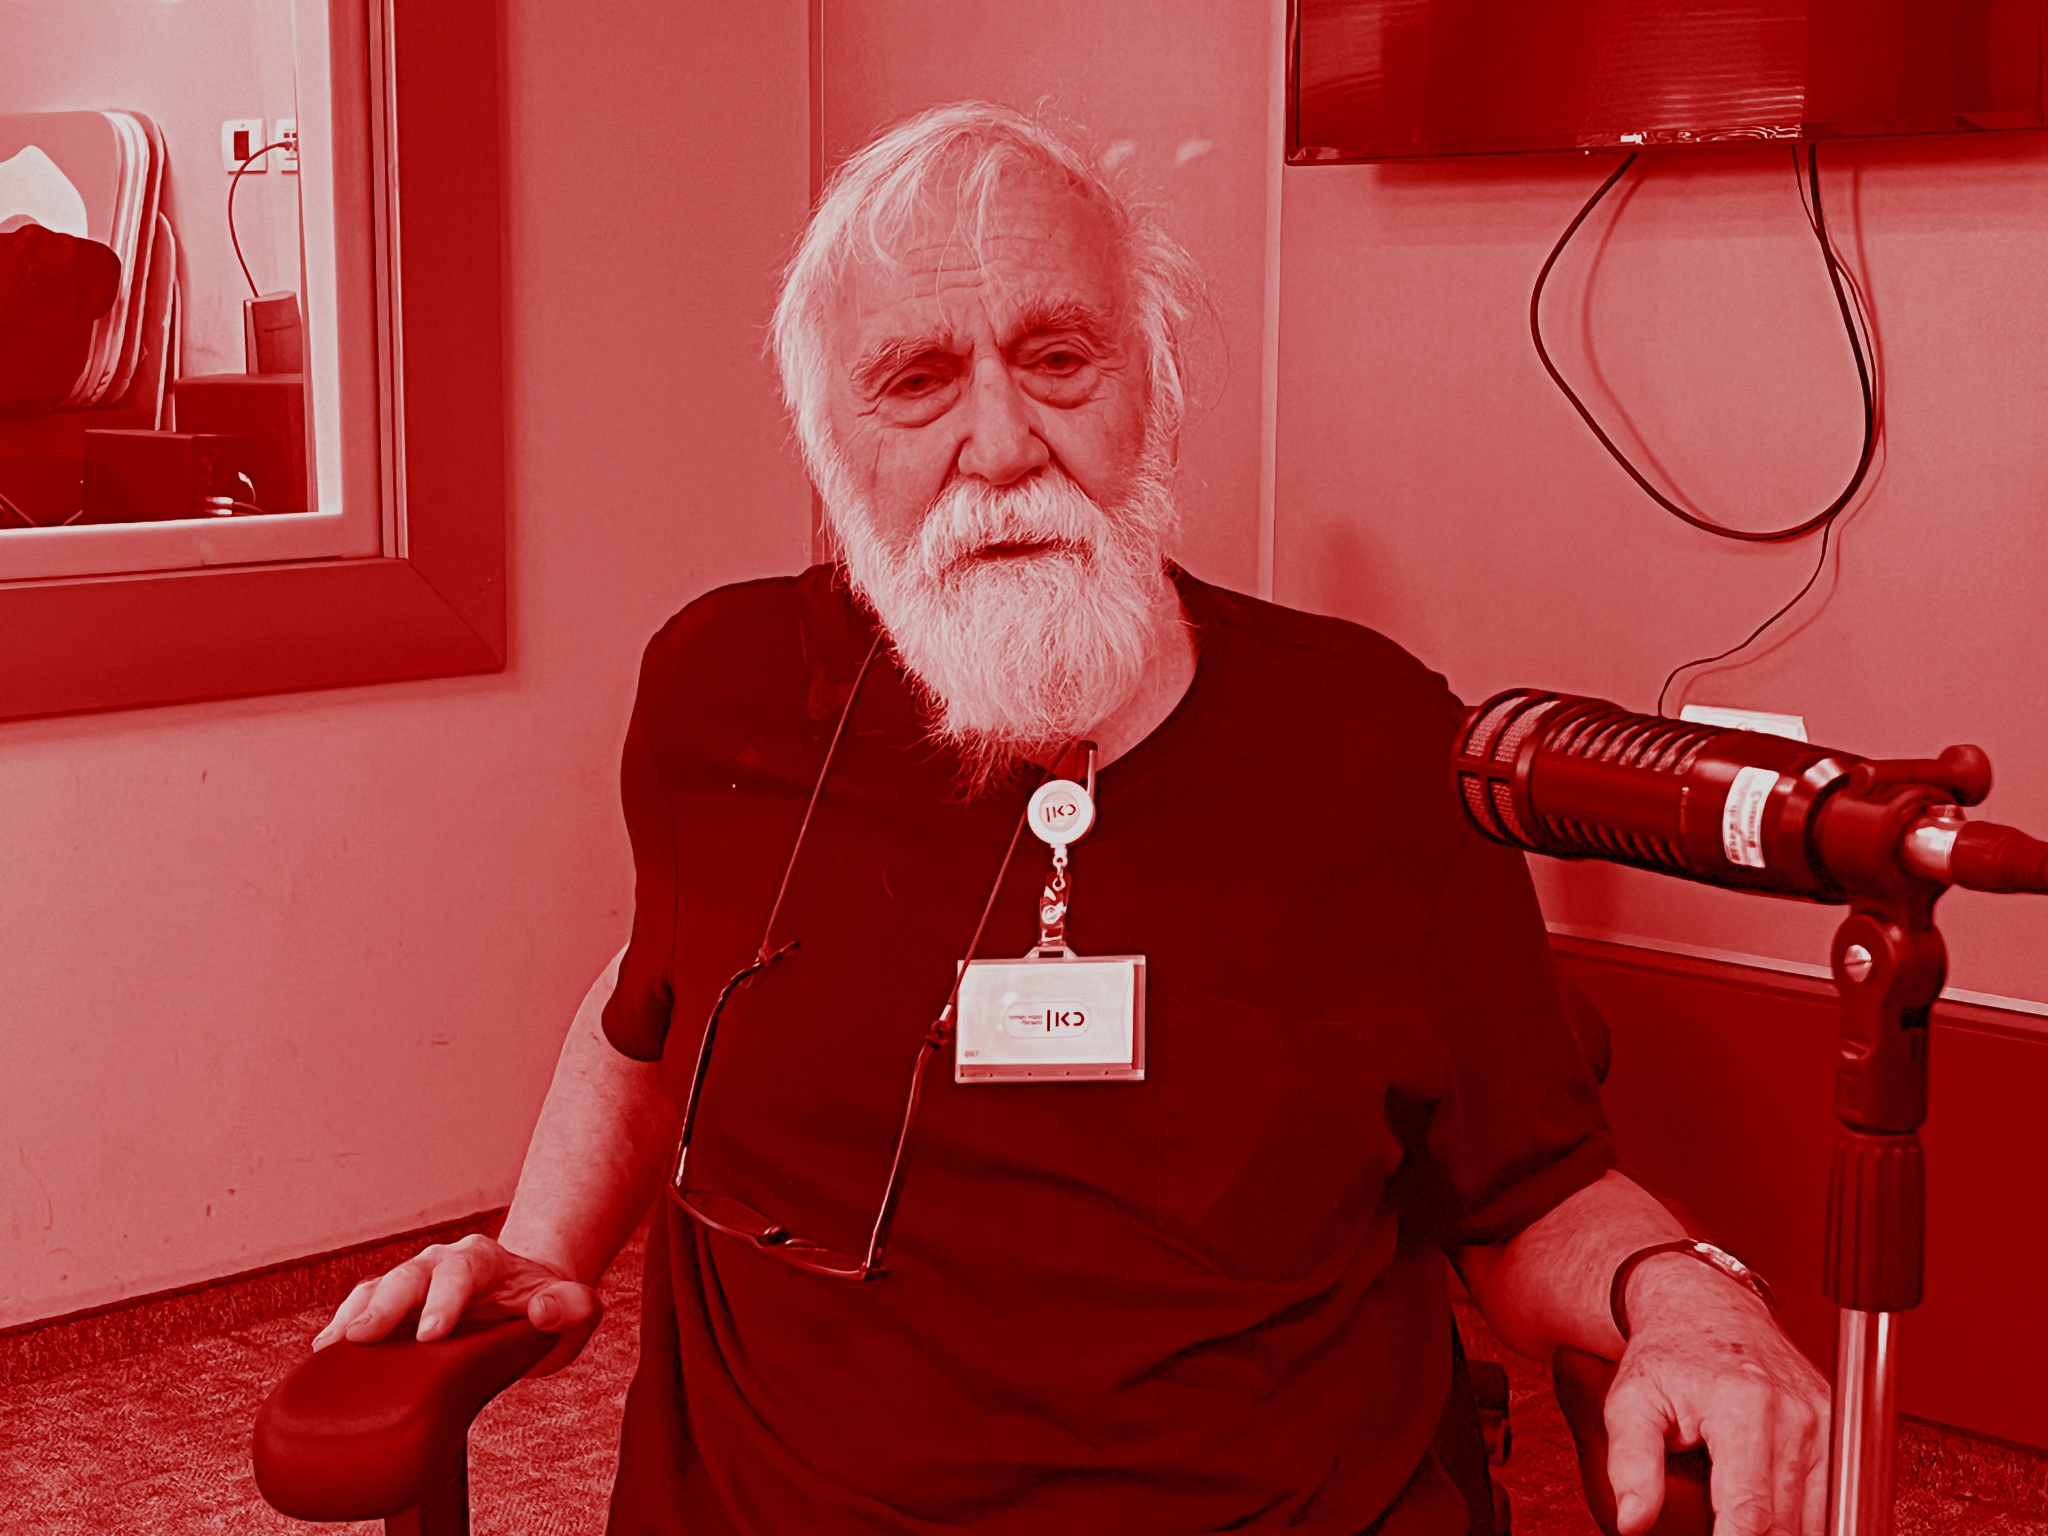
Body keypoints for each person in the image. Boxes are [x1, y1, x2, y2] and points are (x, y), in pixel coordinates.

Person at [314, 101, 1831, 1535]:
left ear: (1151, 392)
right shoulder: (719, 691)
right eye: (917, 381)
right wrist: (538, 1253)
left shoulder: (1376, 745)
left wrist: (1685, 1291)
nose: (1000, 443)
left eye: (1057, 360)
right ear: (830, 442)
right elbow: (648, 1017)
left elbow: (1527, 1190)